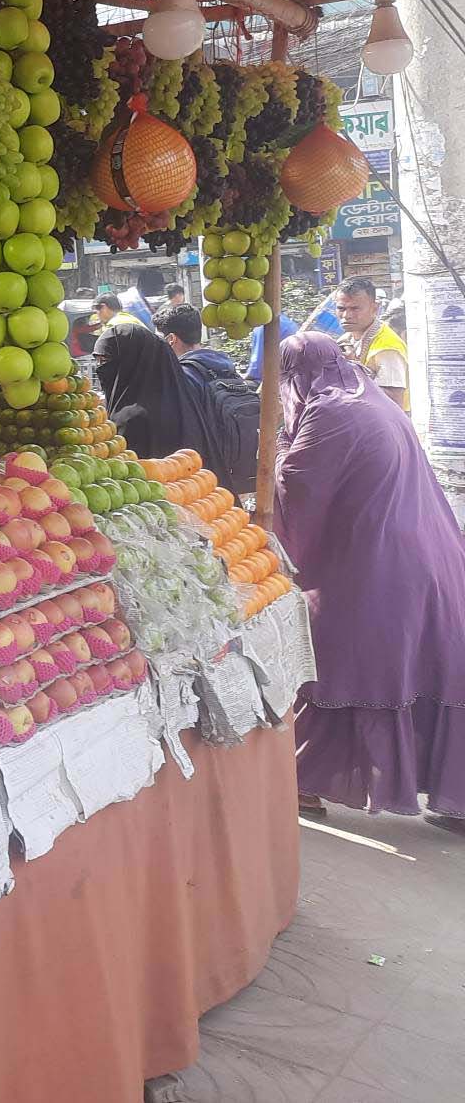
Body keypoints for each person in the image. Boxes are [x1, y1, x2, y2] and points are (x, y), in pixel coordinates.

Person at [274, 331, 465, 827]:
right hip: (428, 554)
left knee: (340, 660)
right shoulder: (370, 398)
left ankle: (305, 778)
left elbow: (297, 488)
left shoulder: (329, 413)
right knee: (423, 665)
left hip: (381, 562)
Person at [92, 319, 241, 490]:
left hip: (172, 507)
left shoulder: (132, 418)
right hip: (209, 500)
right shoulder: (185, 396)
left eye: (105, 361)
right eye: (99, 361)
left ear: (131, 361)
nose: (101, 368)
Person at [156, 303, 260, 497]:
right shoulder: (224, 365)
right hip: (238, 471)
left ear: (171, 339)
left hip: (207, 480)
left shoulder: (182, 376)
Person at [335, 276, 411, 410]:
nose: (347, 315)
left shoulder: (386, 347)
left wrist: (353, 368)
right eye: (341, 308)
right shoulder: (346, 340)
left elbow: (393, 400)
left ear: (374, 308)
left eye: (355, 308)